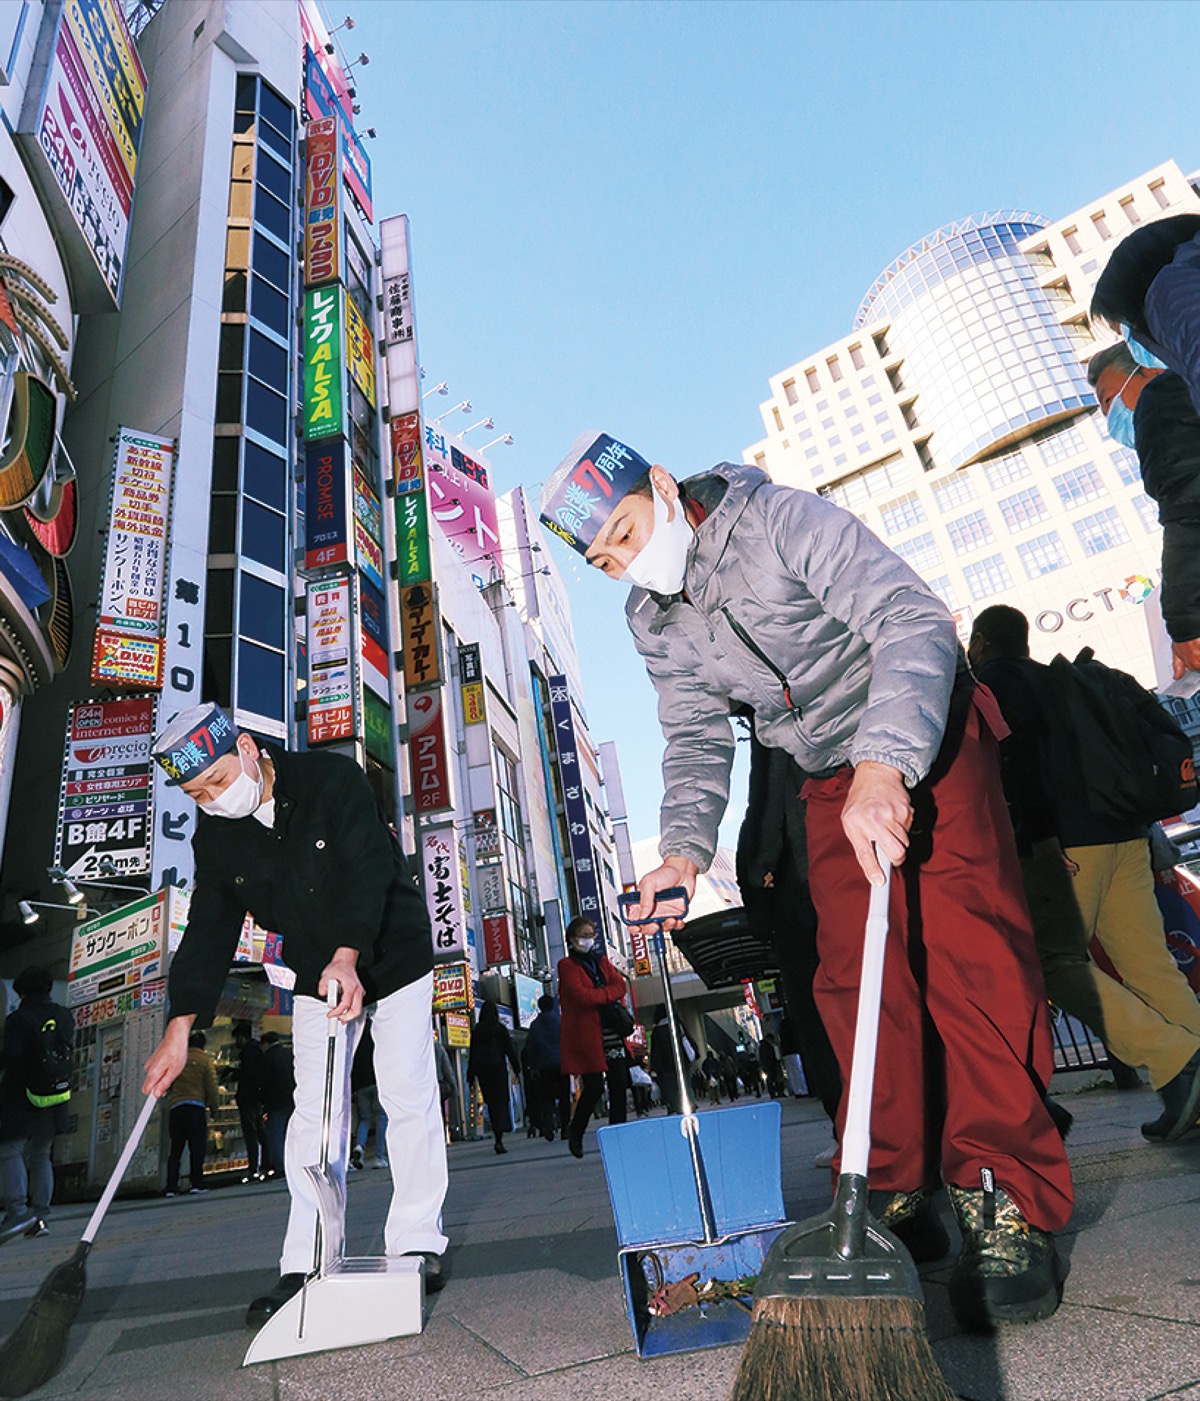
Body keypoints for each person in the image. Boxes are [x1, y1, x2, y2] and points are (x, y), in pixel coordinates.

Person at [541, 434, 1073, 1331]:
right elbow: (697, 733)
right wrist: (681, 848)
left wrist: (885, 762)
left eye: (629, 531)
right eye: (605, 558)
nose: (628, 562)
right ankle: (892, 1180)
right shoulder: (654, 620)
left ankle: (1002, 1187)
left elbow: (911, 617)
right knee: (855, 981)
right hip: (827, 774)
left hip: (924, 732)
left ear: (662, 487)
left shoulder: (780, 520)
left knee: (967, 956)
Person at [142, 704, 449, 1326]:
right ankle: (307, 1261)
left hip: (391, 952)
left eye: (220, 780)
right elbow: (209, 929)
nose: (215, 799)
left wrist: (348, 956)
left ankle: (417, 1241)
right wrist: (179, 1029)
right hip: (316, 973)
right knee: (316, 1111)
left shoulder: (330, 781)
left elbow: (369, 872)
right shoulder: (217, 836)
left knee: (406, 1090)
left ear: (250, 749)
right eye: (198, 793)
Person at [969, 605, 1200, 1142]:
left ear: (980, 642)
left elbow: (1019, 765)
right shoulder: (1059, 679)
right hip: (1123, 834)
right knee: (1150, 968)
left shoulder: (996, 684)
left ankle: (1176, 1057)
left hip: (1067, 845)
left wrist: (1038, 839)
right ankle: (1187, 1090)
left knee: (1056, 963)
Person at [1086, 340, 1200, 677]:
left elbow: (1189, 508)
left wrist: (1184, 623)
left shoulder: (1162, 402)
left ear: (1145, 367)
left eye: (1110, 400)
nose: (1111, 416)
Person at [0, 967, 74, 1240]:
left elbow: (12, 1057)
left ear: (22, 993)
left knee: (10, 1150)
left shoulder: (18, 1019)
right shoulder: (64, 1015)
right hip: (56, 1093)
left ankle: (17, 1211)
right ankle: (40, 1218)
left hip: (22, 1094)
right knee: (41, 1155)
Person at [557, 916, 628, 1158]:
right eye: (584, 935)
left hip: (611, 1032)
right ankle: (576, 1130)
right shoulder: (566, 966)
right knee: (594, 1087)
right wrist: (607, 994)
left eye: (591, 935)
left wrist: (600, 994)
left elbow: (621, 986)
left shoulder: (601, 961)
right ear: (572, 938)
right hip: (588, 1035)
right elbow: (581, 996)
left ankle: (619, 1136)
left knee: (619, 1084)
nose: (588, 940)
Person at [165, 1031, 219, 1196]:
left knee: (176, 1149)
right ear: (203, 1046)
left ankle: (171, 1187)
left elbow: (169, 1081)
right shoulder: (205, 1061)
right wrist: (214, 1108)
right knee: (197, 1148)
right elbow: (211, 1086)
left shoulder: (178, 1059)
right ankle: (196, 1183)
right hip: (196, 1107)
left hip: (177, 1107)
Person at [467, 1001, 520, 1154]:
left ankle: (497, 1132)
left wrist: (470, 1075)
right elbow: (509, 1049)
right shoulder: (499, 1029)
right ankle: (499, 1137)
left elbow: (473, 1054)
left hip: (484, 1072)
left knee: (491, 1102)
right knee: (500, 1102)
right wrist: (517, 1069)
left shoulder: (477, 1030)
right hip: (498, 1071)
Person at [525, 994, 568, 1142]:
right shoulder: (560, 1022)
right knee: (564, 1097)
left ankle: (549, 1125)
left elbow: (531, 1047)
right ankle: (566, 1128)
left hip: (543, 1068)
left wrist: (533, 1067)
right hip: (562, 1065)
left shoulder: (535, 1025)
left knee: (546, 1099)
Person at [227, 1021, 266, 1183]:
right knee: (261, 1133)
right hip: (257, 1098)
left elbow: (247, 1075)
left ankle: (253, 1168)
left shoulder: (248, 1053)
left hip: (248, 1098)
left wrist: (234, 1075)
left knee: (251, 1133)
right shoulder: (257, 1051)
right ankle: (265, 1164)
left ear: (241, 1038)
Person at [350, 1019, 388, 1170]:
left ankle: (359, 1146)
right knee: (381, 1117)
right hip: (377, 1082)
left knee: (364, 1119)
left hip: (361, 1086)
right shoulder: (377, 1038)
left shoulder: (356, 1042)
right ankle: (379, 1156)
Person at [257, 1032, 293, 1177]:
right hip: (292, 1100)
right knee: (290, 1135)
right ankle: (293, 1165)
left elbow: (263, 1082)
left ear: (265, 1044)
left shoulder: (267, 1058)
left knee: (276, 1136)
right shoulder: (289, 1054)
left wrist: (262, 1102)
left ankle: (281, 1167)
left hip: (275, 1103)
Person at [648, 1005, 694, 1115]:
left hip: (666, 1067)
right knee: (685, 1085)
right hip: (682, 1063)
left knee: (672, 1089)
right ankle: (689, 1104)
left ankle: (675, 1107)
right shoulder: (677, 1025)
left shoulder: (657, 1031)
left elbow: (656, 1052)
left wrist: (654, 1069)